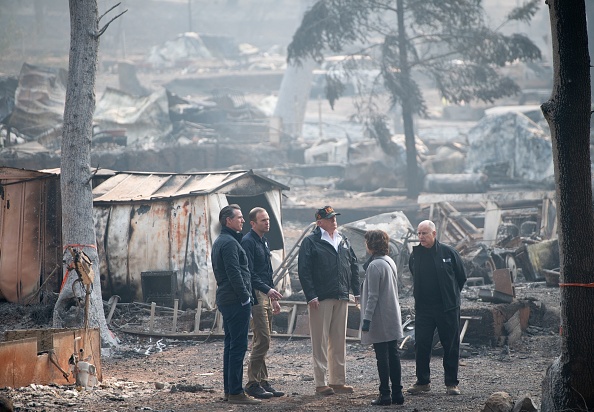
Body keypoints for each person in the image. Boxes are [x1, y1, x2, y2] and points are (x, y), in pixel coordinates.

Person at [298, 205, 360, 396]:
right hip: (321, 297)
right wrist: (311, 295)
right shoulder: (311, 242)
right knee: (320, 340)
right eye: (330, 218)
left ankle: (338, 381)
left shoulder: (343, 240)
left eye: (334, 217)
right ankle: (321, 382)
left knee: (339, 340)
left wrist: (356, 292)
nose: (334, 220)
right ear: (320, 222)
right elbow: (304, 270)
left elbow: (353, 266)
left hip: (341, 295)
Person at [407, 220, 467, 396]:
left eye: (424, 233)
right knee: (422, 344)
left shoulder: (448, 252)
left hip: (447, 308)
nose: (421, 237)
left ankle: (451, 383)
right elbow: (414, 274)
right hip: (424, 309)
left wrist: (451, 296)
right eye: (418, 234)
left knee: (450, 345)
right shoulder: (415, 255)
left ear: (434, 234)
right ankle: (423, 382)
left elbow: (461, 277)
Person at [211, 204, 259, 405]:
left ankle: (230, 390)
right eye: (239, 217)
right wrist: (245, 298)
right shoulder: (229, 243)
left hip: (228, 299)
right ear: (227, 221)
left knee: (231, 346)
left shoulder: (223, 240)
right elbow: (234, 273)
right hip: (234, 300)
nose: (242, 220)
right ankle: (236, 392)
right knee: (237, 347)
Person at [241, 207, 285, 399]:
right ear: (253, 223)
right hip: (256, 294)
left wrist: (273, 297)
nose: (267, 223)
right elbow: (249, 274)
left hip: (266, 294)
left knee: (263, 341)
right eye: (263, 220)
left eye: (268, 219)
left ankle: (262, 380)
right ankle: (252, 383)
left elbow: (267, 272)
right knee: (263, 340)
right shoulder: (248, 242)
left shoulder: (264, 241)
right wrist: (267, 291)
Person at [360, 230, 405, 406]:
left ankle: (385, 395)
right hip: (391, 315)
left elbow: (372, 296)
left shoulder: (375, 265)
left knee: (382, 357)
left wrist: (366, 320)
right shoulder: (389, 261)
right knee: (393, 355)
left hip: (380, 317)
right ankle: (397, 393)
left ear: (371, 244)